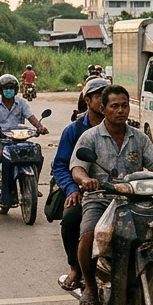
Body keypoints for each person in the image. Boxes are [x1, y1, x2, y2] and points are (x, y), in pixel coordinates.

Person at [70, 84, 153, 305]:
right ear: (103, 108)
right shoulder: (90, 137)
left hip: (137, 199)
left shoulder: (139, 137)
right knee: (88, 235)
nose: (120, 110)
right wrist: (86, 180)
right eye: (114, 106)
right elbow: (77, 168)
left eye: (124, 105)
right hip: (101, 198)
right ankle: (90, 288)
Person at [52, 76, 107, 292]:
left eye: (106, 96)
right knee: (71, 219)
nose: (102, 101)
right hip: (84, 190)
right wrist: (72, 189)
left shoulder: (121, 127)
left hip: (116, 190)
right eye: (98, 96)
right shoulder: (73, 131)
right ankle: (75, 267)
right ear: (87, 100)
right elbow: (60, 165)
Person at [0, 74, 49, 203]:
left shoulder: (22, 103)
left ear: (16, 89)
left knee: (37, 155)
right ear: (0, 90)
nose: (9, 90)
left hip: (19, 139)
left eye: (11, 88)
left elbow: (31, 117)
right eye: (6, 88)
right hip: (0, 140)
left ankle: (34, 185)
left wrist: (40, 127)